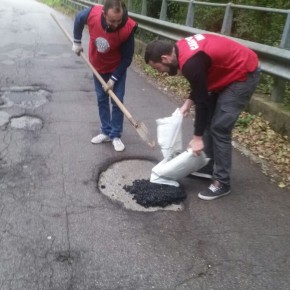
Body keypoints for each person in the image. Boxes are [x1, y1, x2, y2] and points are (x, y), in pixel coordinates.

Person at [144, 33, 260, 200]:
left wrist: (197, 138)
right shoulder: (180, 48)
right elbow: (200, 83)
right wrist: (187, 104)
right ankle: (207, 166)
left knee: (220, 128)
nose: (160, 72)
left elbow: (203, 101)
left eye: (158, 68)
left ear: (165, 58)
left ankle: (222, 181)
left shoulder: (190, 63)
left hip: (243, 73)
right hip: (227, 72)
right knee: (208, 122)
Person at [72, 0, 137, 151]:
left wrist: (114, 79)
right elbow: (78, 19)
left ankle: (115, 135)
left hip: (117, 68)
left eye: (119, 20)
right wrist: (77, 41)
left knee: (117, 101)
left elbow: (127, 58)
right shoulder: (92, 14)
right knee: (102, 99)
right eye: (112, 21)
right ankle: (105, 132)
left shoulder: (127, 27)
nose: (116, 24)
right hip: (97, 66)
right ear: (103, 14)